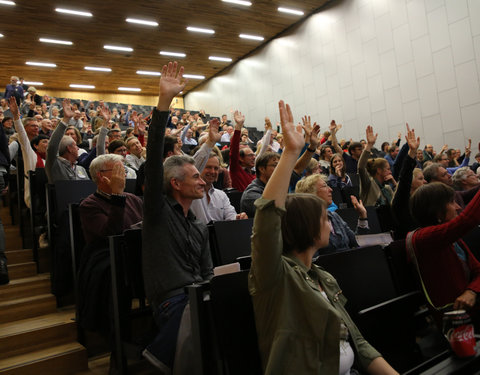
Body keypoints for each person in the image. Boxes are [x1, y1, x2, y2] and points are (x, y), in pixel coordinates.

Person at [250, 99, 397, 374]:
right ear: (305, 226)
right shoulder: (275, 276)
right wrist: (291, 153)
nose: (331, 226)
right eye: (323, 220)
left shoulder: (324, 278)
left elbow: (359, 343)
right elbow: (267, 217)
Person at [142, 62, 213, 373]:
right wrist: (164, 104)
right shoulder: (156, 212)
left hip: (199, 295)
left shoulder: (199, 224)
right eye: (195, 177)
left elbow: (208, 271)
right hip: (171, 301)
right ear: (175, 184)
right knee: (195, 315)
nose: (203, 181)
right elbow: (155, 155)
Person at [409, 183, 480, 315]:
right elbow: (467, 220)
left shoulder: (453, 239)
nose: (458, 207)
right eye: (452, 202)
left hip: (472, 307)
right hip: (455, 319)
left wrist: (472, 291)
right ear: (437, 211)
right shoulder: (423, 239)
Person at [295, 173, 369, 254]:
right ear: (311, 194)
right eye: (324, 186)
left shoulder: (334, 216)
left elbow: (356, 243)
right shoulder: (306, 224)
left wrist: (362, 216)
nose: (331, 189)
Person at [45, 99, 89, 183]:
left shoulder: (80, 169)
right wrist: (66, 120)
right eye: (75, 146)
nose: (78, 148)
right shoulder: (55, 164)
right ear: (69, 148)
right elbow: (52, 147)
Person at [358, 126, 395, 206]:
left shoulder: (387, 188)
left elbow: (397, 206)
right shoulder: (368, 183)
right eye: (388, 169)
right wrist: (369, 145)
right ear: (379, 170)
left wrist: (394, 183)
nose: (390, 171)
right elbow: (361, 167)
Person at [240, 152, 279, 218]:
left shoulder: (277, 188)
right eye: (275, 165)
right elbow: (273, 212)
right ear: (262, 169)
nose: (280, 169)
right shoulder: (251, 193)